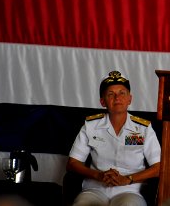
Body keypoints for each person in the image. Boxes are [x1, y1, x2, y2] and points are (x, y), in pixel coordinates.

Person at [66, 71, 161, 206]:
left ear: (130, 99)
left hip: (130, 190)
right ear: (102, 101)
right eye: (111, 94)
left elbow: (158, 168)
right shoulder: (90, 125)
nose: (117, 97)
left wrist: (128, 179)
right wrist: (98, 175)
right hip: (95, 188)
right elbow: (72, 163)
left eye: (122, 93)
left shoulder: (144, 128)